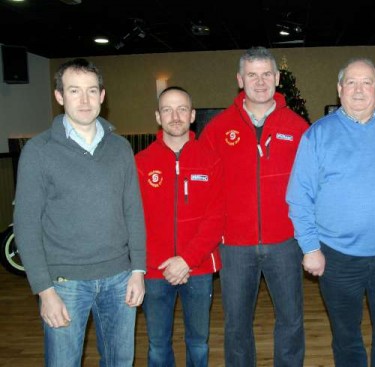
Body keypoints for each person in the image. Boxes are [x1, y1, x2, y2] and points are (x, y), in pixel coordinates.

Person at [13, 58, 146, 366]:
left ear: (102, 96)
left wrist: (138, 270)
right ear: (60, 96)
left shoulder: (120, 148)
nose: (84, 100)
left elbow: (133, 212)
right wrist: (45, 291)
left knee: (119, 362)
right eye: (74, 91)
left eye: (91, 91)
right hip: (64, 283)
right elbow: (26, 225)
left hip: (119, 279)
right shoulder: (39, 151)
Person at [286, 58, 375, 367]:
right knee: (346, 336)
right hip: (338, 257)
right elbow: (298, 196)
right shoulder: (318, 134)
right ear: (340, 89)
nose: (359, 90)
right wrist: (311, 248)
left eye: (367, 82)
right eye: (351, 83)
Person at [200, 47, 308, 367]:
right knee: (236, 325)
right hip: (235, 245)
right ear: (239, 79)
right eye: (252, 75)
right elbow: (204, 186)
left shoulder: (299, 127)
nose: (260, 82)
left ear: (277, 78)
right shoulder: (218, 129)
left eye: (266, 74)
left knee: (291, 321)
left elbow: (312, 186)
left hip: (285, 243)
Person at [135, 86, 224, 366]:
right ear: (158, 117)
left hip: (197, 268)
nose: (175, 116)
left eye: (182, 109)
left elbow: (217, 216)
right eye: (167, 110)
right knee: (158, 346)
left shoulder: (211, 160)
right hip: (154, 270)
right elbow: (134, 219)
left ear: (193, 115)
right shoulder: (140, 163)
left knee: (198, 343)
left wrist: (186, 259)